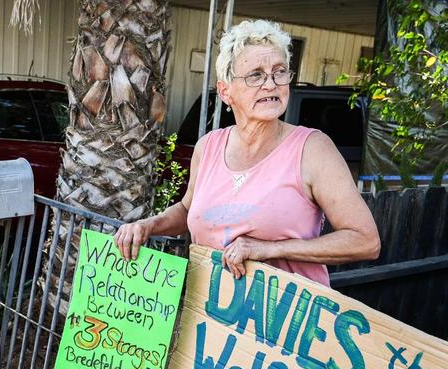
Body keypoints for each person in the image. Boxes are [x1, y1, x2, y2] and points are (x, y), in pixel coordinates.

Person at [114, 20, 379, 285]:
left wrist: (270, 248)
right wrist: (148, 225)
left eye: (280, 71)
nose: (271, 84)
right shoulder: (208, 147)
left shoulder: (312, 149)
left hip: (284, 320)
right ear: (226, 91)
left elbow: (364, 240)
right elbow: (188, 209)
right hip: (211, 318)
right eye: (256, 75)